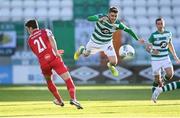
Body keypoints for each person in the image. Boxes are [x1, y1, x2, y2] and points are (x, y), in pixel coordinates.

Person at [25, 19, 83, 109]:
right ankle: (73, 98)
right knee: (67, 79)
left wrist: (49, 53)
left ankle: (59, 101)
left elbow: (37, 52)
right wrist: (55, 52)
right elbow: (52, 40)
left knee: (49, 81)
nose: (28, 31)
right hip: (54, 58)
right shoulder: (46, 31)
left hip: (44, 63)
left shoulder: (29, 40)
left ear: (31, 28)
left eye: (28, 29)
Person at [74, 7, 144, 77]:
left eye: (115, 16)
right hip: (94, 42)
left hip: (107, 44)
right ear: (108, 14)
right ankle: (81, 50)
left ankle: (110, 65)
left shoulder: (118, 24)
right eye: (112, 16)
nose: (114, 18)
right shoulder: (102, 17)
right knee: (86, 54)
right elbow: (89, 18)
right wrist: (98, 19)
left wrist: (137, 39)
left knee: (114, 62)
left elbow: (129, 30)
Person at [146, 17, 180, 93]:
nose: (160, 25)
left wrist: (175, 56)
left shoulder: (168, 33)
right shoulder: (153, 35)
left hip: (165, 57)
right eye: (158, 24)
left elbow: (170, 44)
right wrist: (152, 51)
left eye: (161, 23)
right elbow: (147, 48)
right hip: (155, 60)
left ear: (164, 24)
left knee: (170, 74)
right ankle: (154, 92)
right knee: (157, 80)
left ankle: (162, 80)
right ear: (156, 25)